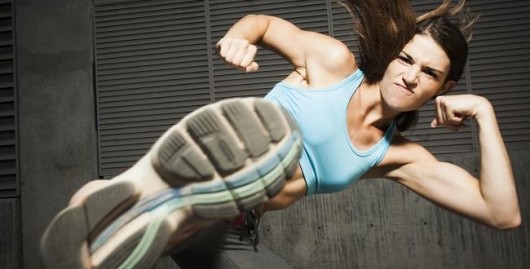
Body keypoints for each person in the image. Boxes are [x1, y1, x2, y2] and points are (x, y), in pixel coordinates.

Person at [40, 0, 521, 268]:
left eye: (430, 74)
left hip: (235, 234)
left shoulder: (395, 156)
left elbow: (502, 215)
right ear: (393, 53)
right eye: (407, 59)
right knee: (172, 213)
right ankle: (156, 202)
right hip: (212, 190)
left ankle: (128, 209)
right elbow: (265, 23)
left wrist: (484, 111)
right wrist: (239, 37)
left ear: (445, 88)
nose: (411, 76)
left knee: (143, 229)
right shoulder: (334, 65)